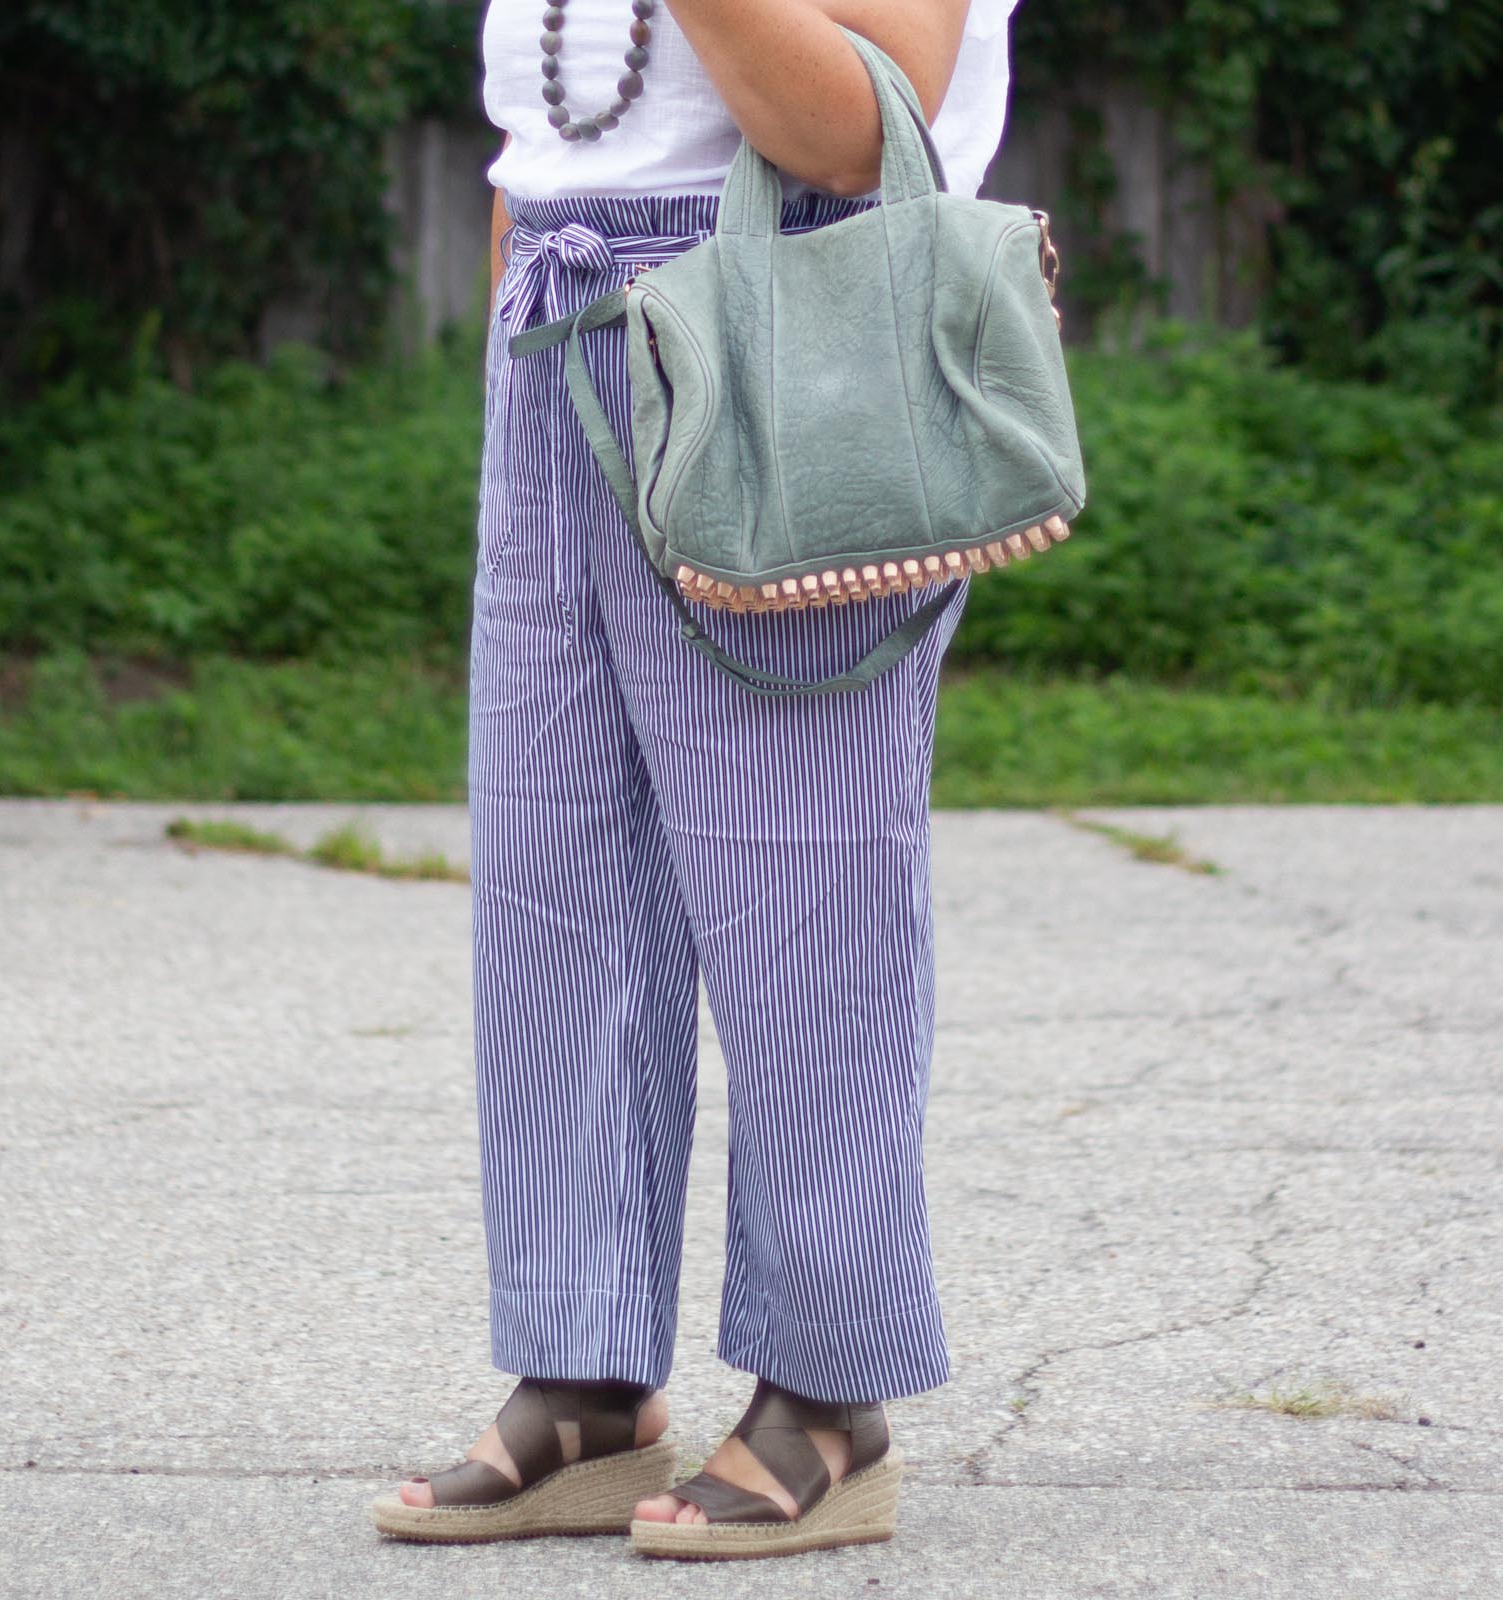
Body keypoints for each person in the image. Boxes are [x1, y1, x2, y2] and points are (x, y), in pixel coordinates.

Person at [369, 0, 1021, 1561]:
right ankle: (585, 1370)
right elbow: (559, 122)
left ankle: (831, 1393)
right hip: (561, 308)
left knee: (808, 884)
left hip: (790, 312)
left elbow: (871, 119)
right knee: (556, 870)